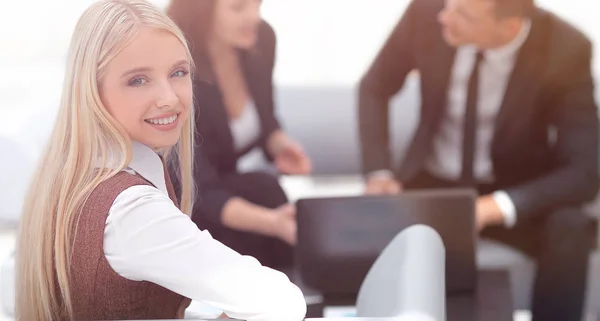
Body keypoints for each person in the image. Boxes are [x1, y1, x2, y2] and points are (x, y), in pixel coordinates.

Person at [15, 1, 307, 320]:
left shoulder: (73, 176)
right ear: (92, 92)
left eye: (178, 72)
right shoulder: (134, 211)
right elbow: (280, 302)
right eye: (138, 80)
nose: (169, 97)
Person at [359, 0, 599, 320]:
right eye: (448, 5)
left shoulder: (565, 48)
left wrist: (493, 207)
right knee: (361, 227)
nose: (445, 16)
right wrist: (379, 171)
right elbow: (374, 86)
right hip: (433, 186)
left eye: (464, 14)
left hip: (514, 191)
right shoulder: (427, 12)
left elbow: (585, 171)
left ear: (509, 24)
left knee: (570, 225)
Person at [166, 0, 312, 270]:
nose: (254, 17)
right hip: (184, 199)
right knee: (264, 196)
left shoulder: (261, 39)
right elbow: (199, 189)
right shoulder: (176, 69)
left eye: (258, 4)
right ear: (202, 10)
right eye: (238, 7)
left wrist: (280, 145)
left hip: (225, 186)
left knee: (266, 190)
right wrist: (273, 222)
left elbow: (266, 118)